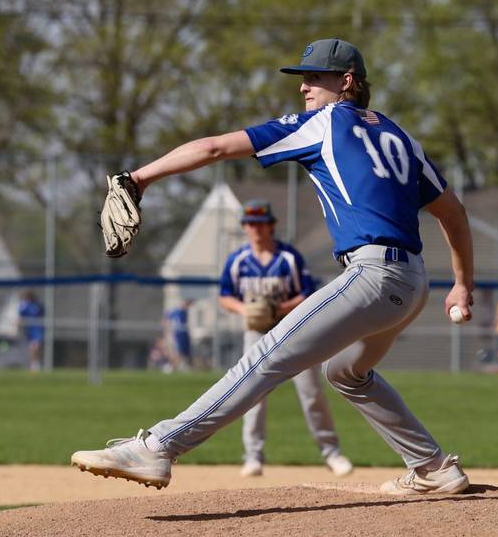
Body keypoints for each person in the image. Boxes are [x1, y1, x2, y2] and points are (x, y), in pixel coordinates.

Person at [72, 38, 475, 495]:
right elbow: (453, 212)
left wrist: (139, 178)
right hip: (413, 282)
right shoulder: (400, 136)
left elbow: (213, 149)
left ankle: (159, 447)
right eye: (303, 79)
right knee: (345, 373)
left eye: (314, 77)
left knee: (265, 356)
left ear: (346, 82)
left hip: (373, 276)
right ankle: (432, 467)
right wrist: (462, 284)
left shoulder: (323, 123)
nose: (304, 88)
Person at [220, 198, 353, 477]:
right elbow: (225, 296)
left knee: (311, 392)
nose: (255, 228)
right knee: (252, 394)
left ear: (271, 226)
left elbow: (306, 293)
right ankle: (253, 455)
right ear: (245, 227)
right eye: (250, 223)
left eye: (260, 223)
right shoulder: (238, 261)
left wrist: (279, 309)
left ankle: (332, 453)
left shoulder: (288, 258)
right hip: (256, 332)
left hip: (293, 329)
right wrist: (246, 309)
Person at [18, 290, 45, 372]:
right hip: (29, 330)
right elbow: (20, 315)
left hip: (37, 329)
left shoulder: (37, 305)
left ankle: (36, 363)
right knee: (31, 347)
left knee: (36, 346)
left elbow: (42, 314)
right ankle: (34, 363)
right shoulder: (24, 306)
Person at [162, 300, 193, 371]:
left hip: (184, 333)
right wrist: (168, 330)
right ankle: (170, 366)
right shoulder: (176, 311)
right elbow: (165, 320)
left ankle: (182, 365)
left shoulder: (185, 312)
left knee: (185, 352)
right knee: (178, 352)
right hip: (178, 334)